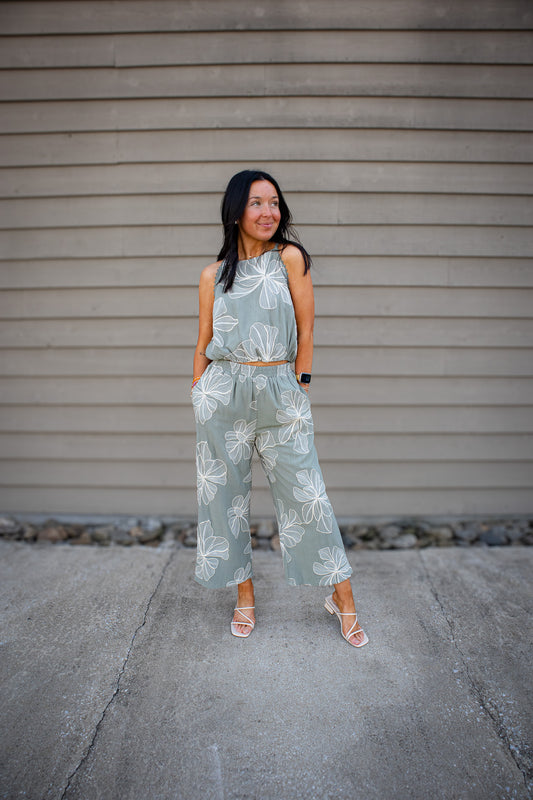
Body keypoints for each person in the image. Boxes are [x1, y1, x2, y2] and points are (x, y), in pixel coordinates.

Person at [191, 169, 368, 648]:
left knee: (306, 494)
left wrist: (300, 386)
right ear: (235, 212)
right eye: (256, 203)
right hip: (222, 391)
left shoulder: (289, 258)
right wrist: (199, 390)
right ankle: (244, 596)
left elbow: (307, 332)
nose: (268, 212)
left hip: (279, 386)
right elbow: (203, 342)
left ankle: (342, 597)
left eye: (274, 202)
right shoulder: (213, 275)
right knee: (223, 500)